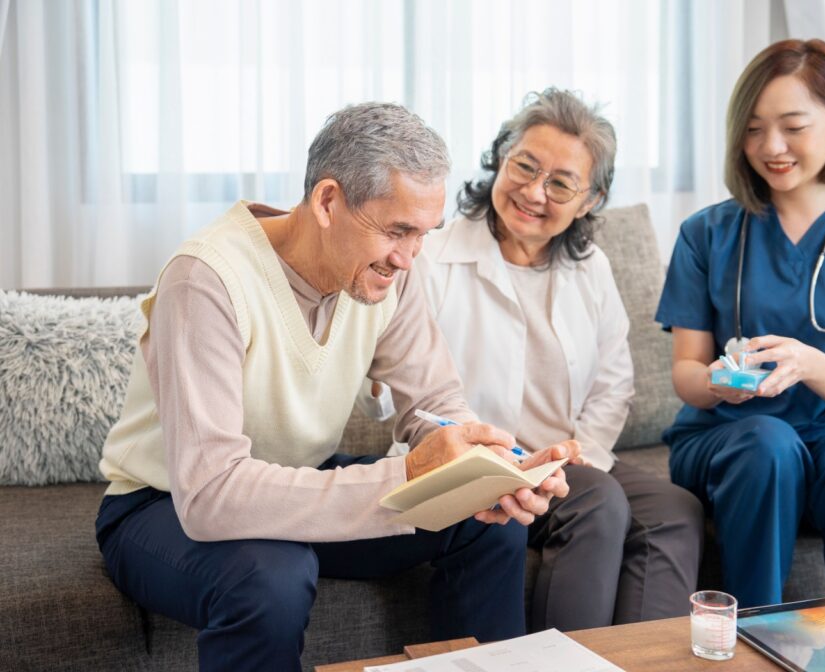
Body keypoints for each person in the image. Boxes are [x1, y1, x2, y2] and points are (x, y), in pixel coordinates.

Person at [95, 102, 577, 671]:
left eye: (423, 234)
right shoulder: (206, 279)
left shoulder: (393, 271)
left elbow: (434, 405)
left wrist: (486, 470)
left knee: (481, 522)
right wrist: (407, 474)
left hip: (296, 477)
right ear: (327, 201)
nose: (408, 257)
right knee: (271, 575)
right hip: (165, 503)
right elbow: (211, 496)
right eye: (396, 230)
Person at [370, 88, 704, 630]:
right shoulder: (433, 257)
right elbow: (402, 393)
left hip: (568, 462)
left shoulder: (591, 267)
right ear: (500, 158)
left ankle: (644, 665)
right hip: (474, 465)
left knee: (673, 511)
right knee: (598, 504)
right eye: (524, 166)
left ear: (590, 200)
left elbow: (614, 384)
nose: (533, 191)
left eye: (561, 183)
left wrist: (580, 457)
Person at [656, 40, 825, 608]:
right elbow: (686, 373)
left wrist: (805, 362)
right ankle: (753, 634)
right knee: (768, 442)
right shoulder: (706, 234)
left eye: (792, 126)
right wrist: (720, 383)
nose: (771, 147)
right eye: (754, 129)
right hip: (730, 439)